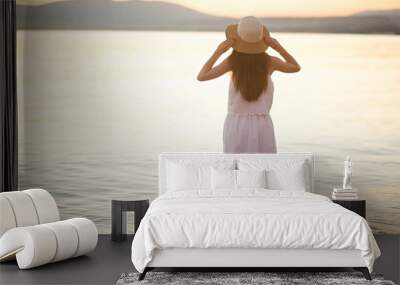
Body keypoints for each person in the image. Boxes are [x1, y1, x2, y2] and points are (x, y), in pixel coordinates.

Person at [197, 16, 301, 153]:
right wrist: (277, 46)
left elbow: (202, 76)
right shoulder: (269, 62)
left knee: (236, 168)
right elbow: (295, 67)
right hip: (262, 125)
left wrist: (218, 51)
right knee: (263, 167)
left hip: (236, 125)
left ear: (238, 38)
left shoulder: (232, 61)